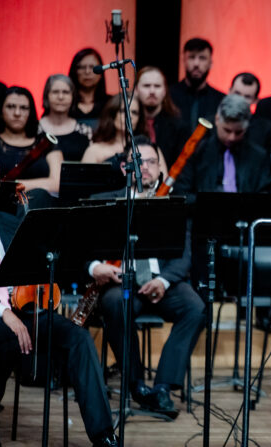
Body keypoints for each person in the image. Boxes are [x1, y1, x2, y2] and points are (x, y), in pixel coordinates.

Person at [0, 170, 118, 446]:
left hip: (26, 310)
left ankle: (103, 435)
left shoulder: (11, 217)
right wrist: (4, 314)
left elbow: (53, 254)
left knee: (78, 338)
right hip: (2, 316)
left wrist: (87, 267)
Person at [88, 136, 204, 419]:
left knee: (196, 308)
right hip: (121, 281)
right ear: (125, 168)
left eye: (152, 161)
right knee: (116, 303)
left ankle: (163, 387)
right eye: (140, 162)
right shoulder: (102, 203)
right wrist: (95, 267)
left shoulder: (172, 202)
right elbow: (82, 248)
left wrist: (163, 281)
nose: (147, 168)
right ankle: (135, 384)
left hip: (162, 281)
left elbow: (184, 254)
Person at [174, 93, 271, 195]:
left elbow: (264, 195)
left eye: (238, 132)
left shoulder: (258, 157)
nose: (232, 137)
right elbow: (183, 192)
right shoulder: (197, 153)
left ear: (247, 126)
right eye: (227, 130)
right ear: (217, 120)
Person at [81, 94, 169, 178]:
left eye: (134, 112)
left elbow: (163, 185)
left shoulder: (152, 149)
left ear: (139, 119)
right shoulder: (94, 151)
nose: (129, 116)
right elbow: (85, 185)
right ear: (112, 115)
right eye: (123, 111)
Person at [0, 86, 63, 195]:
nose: (17, 113)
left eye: (24, 108)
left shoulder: (46, 142)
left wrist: (12, 186)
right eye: (10, 106)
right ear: (0, 110)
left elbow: (57, 184)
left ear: (31, 112)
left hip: (41, 207)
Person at [135, 66, 190, 168]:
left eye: (157, 86)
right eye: (146, 86)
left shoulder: (178, 126)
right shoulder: (129, 123)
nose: (152, 91)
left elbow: (184, 166)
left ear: (165, 90)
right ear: (136, 89)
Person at [169, 38, 225, 128]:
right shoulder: (169, 96)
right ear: (184, 61)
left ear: (210, 63)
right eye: (191, 57)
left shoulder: (220, 100)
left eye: (202, 58)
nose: (196, 63)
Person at [39, 74, 92, 162]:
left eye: (66, 92)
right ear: (46, 96)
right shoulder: (34, 129)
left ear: (73, 96)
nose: (60, 97)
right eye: (55, 92)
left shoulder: (85, 131)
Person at [67, 48, 110, 129]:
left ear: (101, 73)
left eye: (92, 67)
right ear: (75, 71)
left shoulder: (110, 103)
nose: (87, 71)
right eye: (82, 67)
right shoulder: (64, 102)